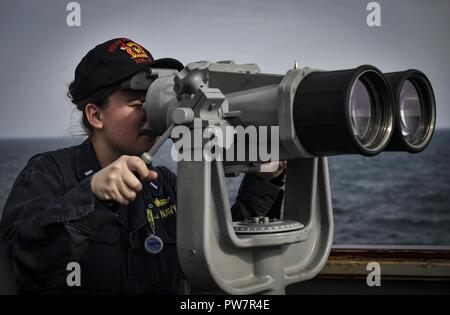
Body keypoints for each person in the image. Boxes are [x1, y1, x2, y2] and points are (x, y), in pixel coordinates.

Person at [0, 38, 285, 294]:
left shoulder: (163, 184)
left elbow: (215, 254)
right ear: (96, 115)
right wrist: (92, 196)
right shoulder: (48, 173)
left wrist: (266, 180)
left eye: (157, 102)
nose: (153, 115)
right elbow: (21, 266)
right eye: (139, 104)